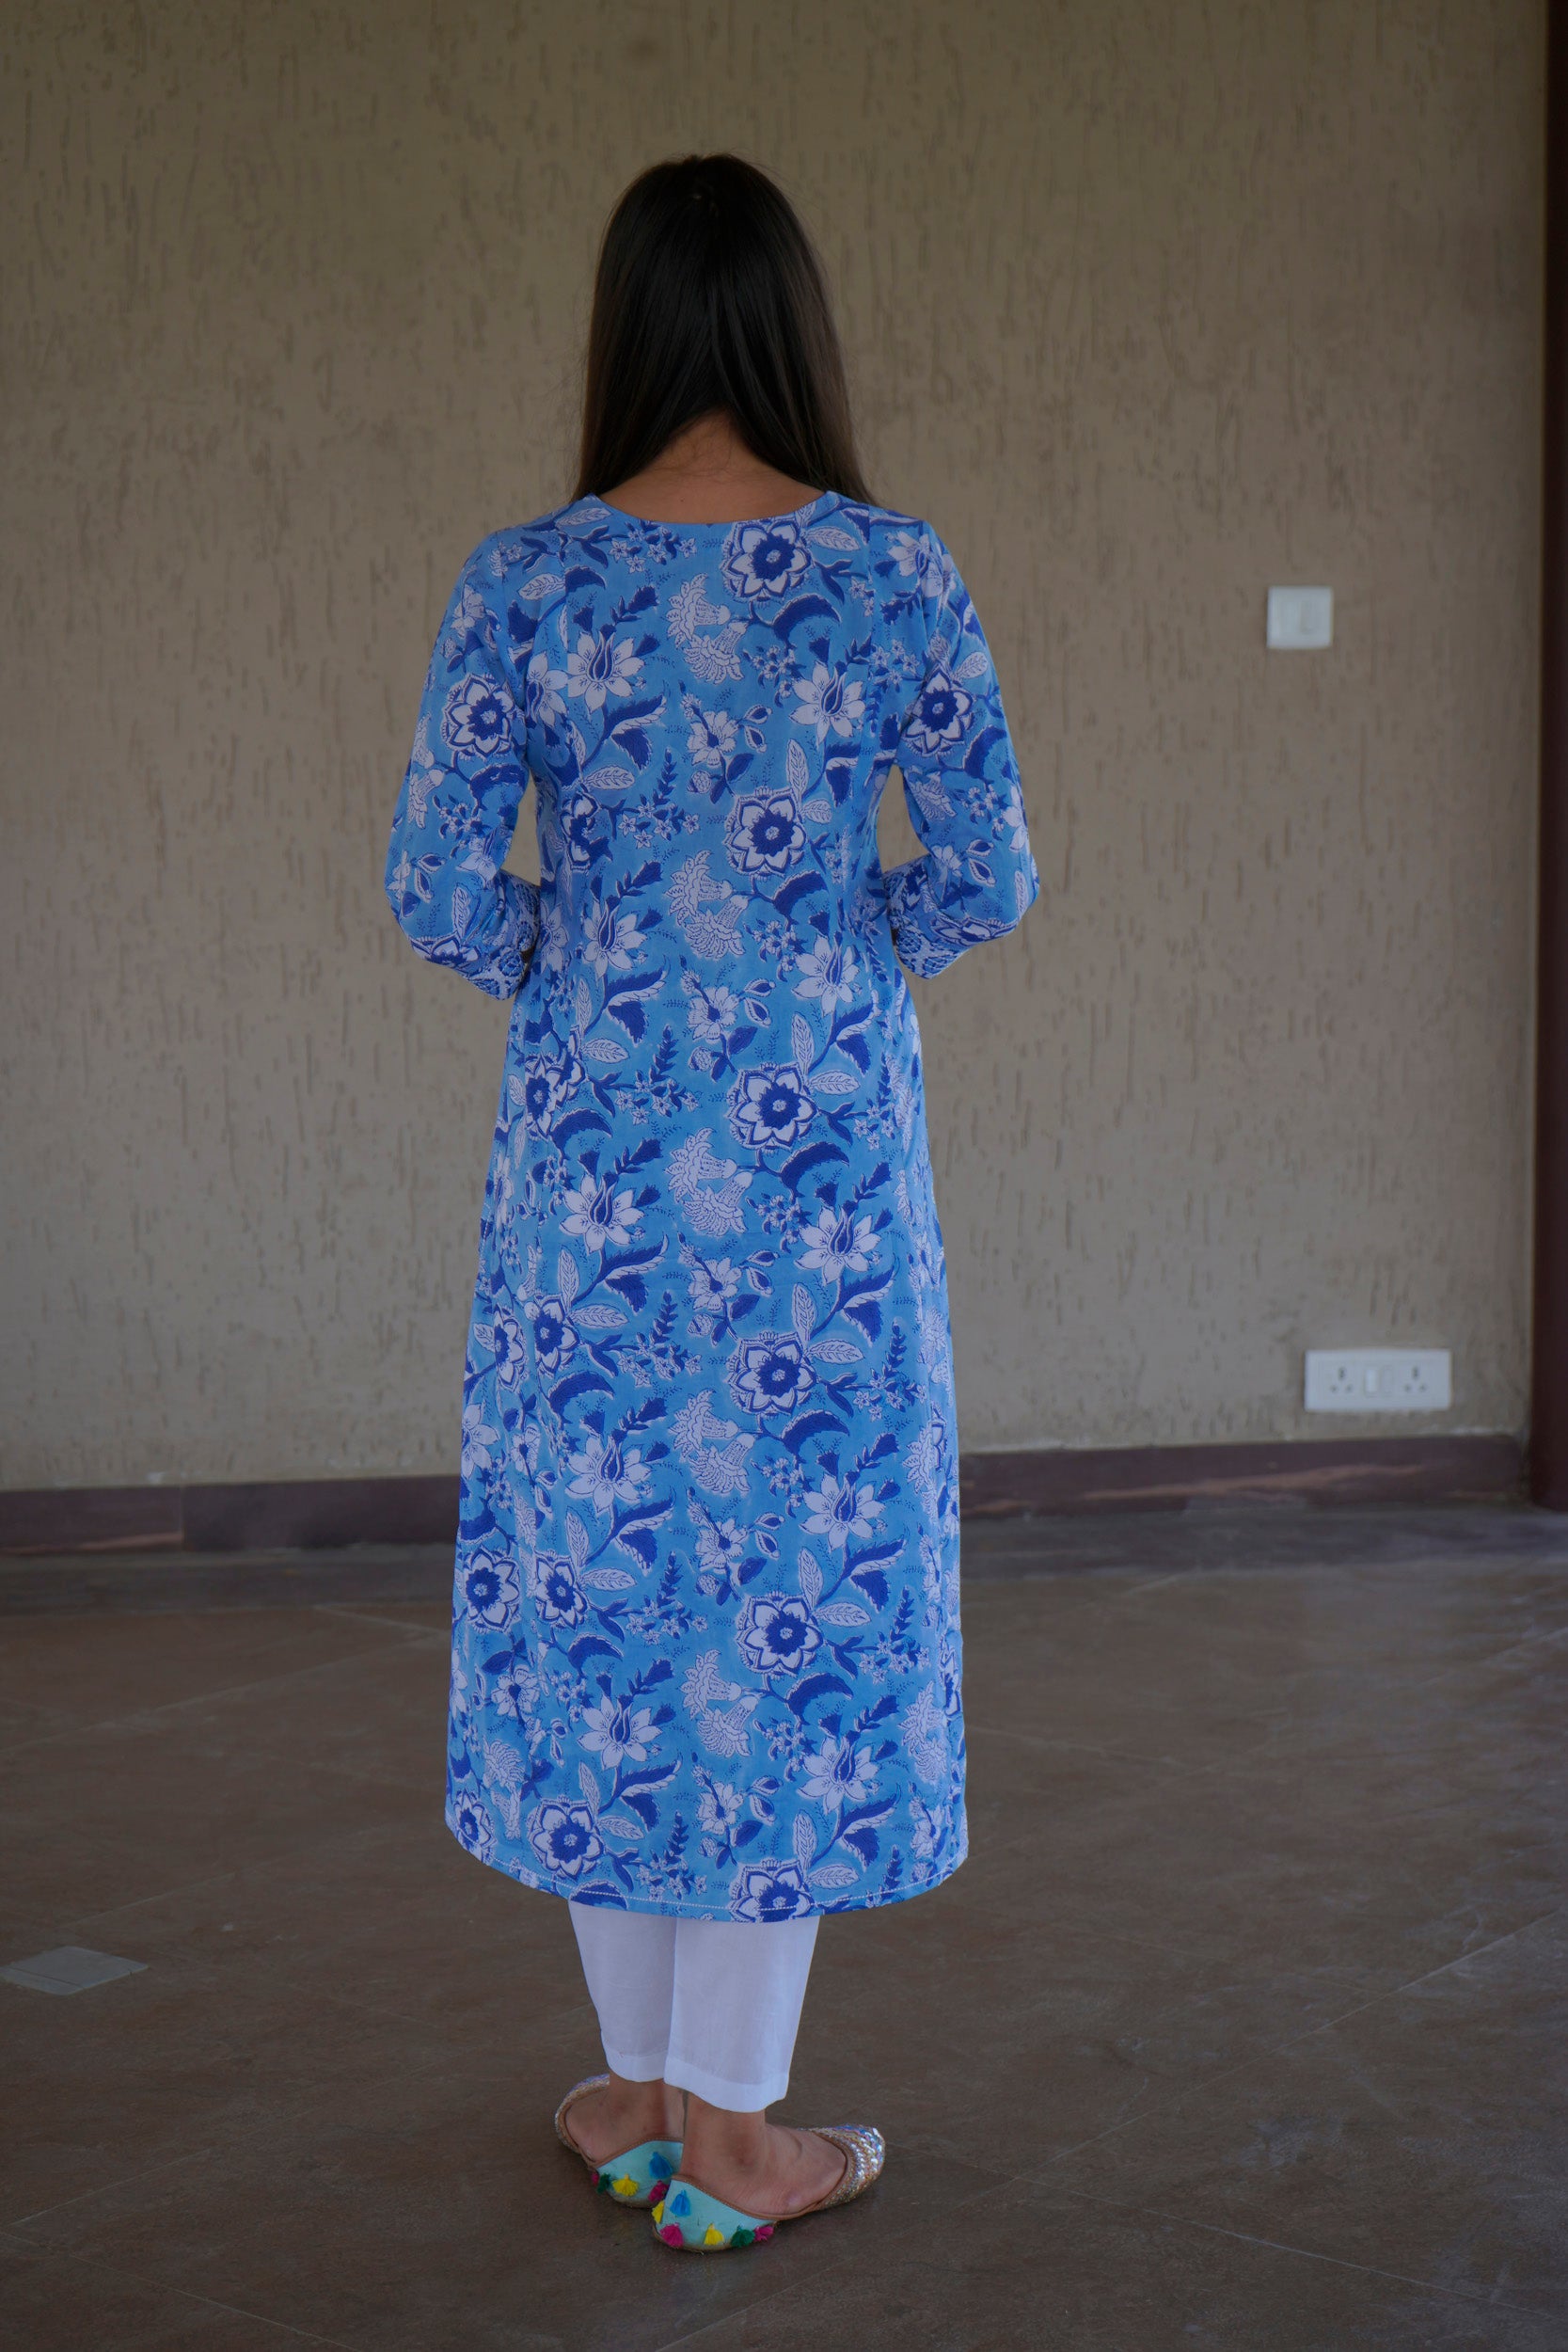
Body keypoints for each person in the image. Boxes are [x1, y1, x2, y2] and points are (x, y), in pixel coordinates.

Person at [385, 151, 1040, 2253]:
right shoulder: (892, 574)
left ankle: (651, 2101)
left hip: (589, 1168)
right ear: (790, 330)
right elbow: (991, 869)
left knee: (613, 1579)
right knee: (791, 1581)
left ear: (625, 332)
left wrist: (588, 976)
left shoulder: (523, 583)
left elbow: (432, 890)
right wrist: (833, 961)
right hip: (818, 1166)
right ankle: (733, 2131)